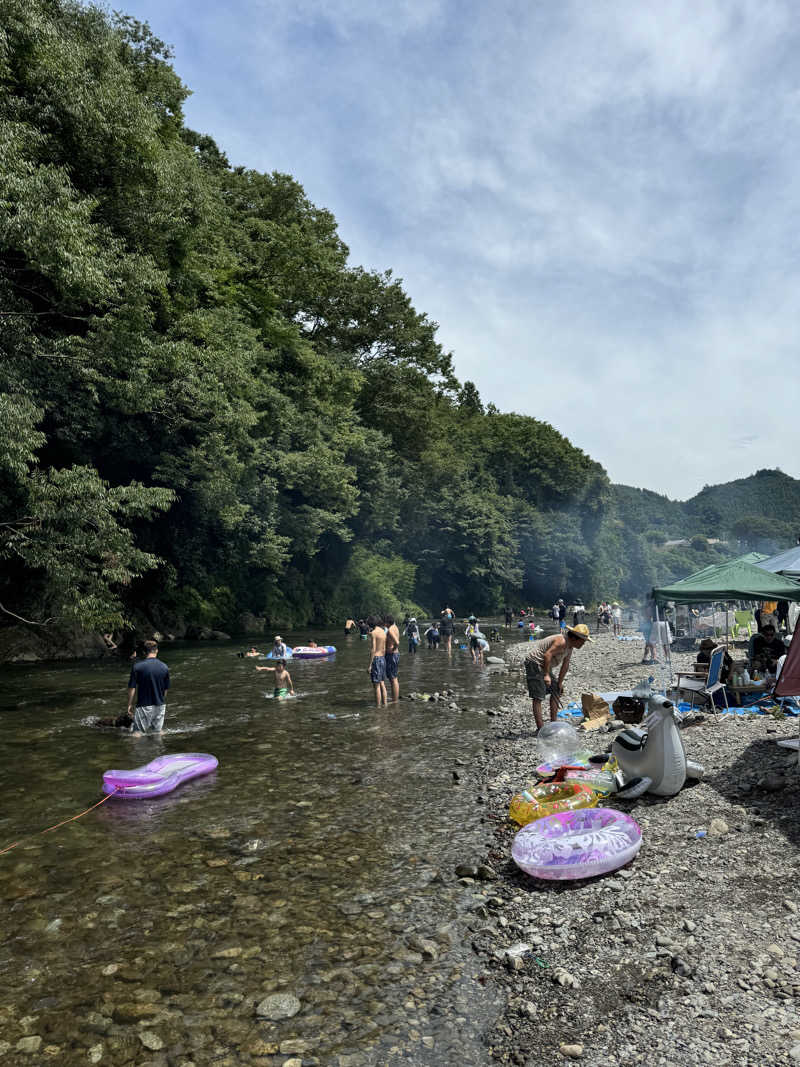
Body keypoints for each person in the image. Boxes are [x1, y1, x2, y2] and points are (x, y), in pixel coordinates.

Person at [525, 624, 592, 731]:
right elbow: (547, 655)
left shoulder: (570, 647)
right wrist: (546, 675)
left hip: (544, 665)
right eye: (583, 641)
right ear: (575, 638)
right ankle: (540, 729)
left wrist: (560, 683)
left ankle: (553, 723)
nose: (583, 644)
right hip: (535, 663)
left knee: (557, 689)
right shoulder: (562, 641)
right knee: (538, 696)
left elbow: (565, 665)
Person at [127, 639, 170, 734]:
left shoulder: (137, 667)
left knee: (137, 733)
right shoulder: (164, 667)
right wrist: (161, 700)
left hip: (144, 705)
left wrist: (129, 705)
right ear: (157, 650)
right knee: (158, 733)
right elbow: (165, 689)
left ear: (144, 651)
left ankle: (138, 749)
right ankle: (159, 748)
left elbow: (132, 688)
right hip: (160, 705)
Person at [367, 615, 387, 706]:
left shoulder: (374, 633)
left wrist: (370, 665)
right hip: (383, 658)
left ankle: (378, 707)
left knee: (376, 685)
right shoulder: (383, 631)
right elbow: (383, 647)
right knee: (382, 683)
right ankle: (385, 704)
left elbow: (373, 649)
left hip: (376, 659)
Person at [384, 614, 400, 702]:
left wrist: (393, 649)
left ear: (387, 622)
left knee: (393, 679)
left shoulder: (390, 630)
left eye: (385, 622)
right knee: (394, 678)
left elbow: (397, 642)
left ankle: (395, 700)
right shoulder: (395, 627)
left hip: (392, 655)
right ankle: (395, 699)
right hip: (395, 655)